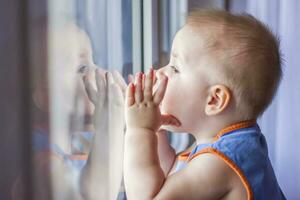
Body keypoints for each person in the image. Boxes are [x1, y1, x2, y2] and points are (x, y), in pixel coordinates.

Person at [123, 10, 286, 200]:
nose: (160, 72)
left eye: (175, 68)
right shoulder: (231, 142)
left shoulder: (221, 162)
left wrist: (139, 130)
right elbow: (171, 175)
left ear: (214, 100)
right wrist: (156, 131)